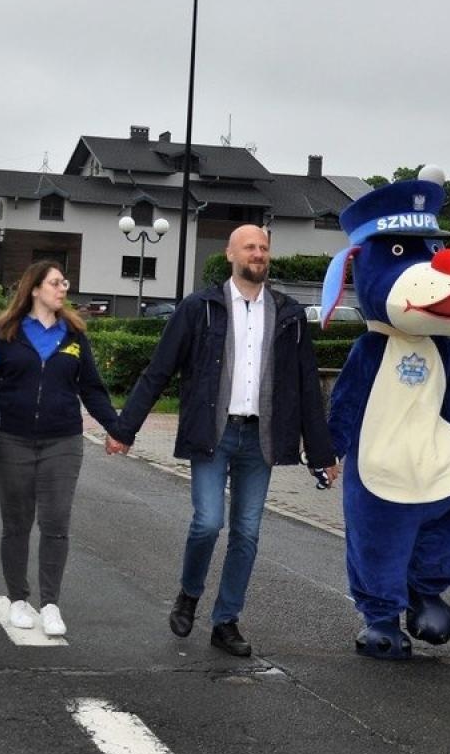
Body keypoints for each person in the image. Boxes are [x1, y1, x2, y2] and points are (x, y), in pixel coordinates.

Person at [110, 224, 338, 658]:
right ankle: (189, 594)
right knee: (208, 522)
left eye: (264, 248)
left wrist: (322, 453)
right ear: (231, 254)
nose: (258, 253)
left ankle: (226, 621)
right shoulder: (201, 308)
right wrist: (125, 429)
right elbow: (159, 370)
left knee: (247, 532)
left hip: (261, 437)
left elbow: (307, 386)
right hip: (212, 431)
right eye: (250, 247)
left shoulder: (288, 314)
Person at [0, 262, 125, 638]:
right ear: (34, 289)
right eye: (55, 282)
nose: (63, 288)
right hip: (12, 440)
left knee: (56, 522)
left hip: (62, 440)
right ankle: (17, 599)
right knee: (16, 523)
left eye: (64, 282)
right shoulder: (4, 333)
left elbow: (91, 388)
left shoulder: (74, 335)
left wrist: (117, 429)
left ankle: (50, 604)